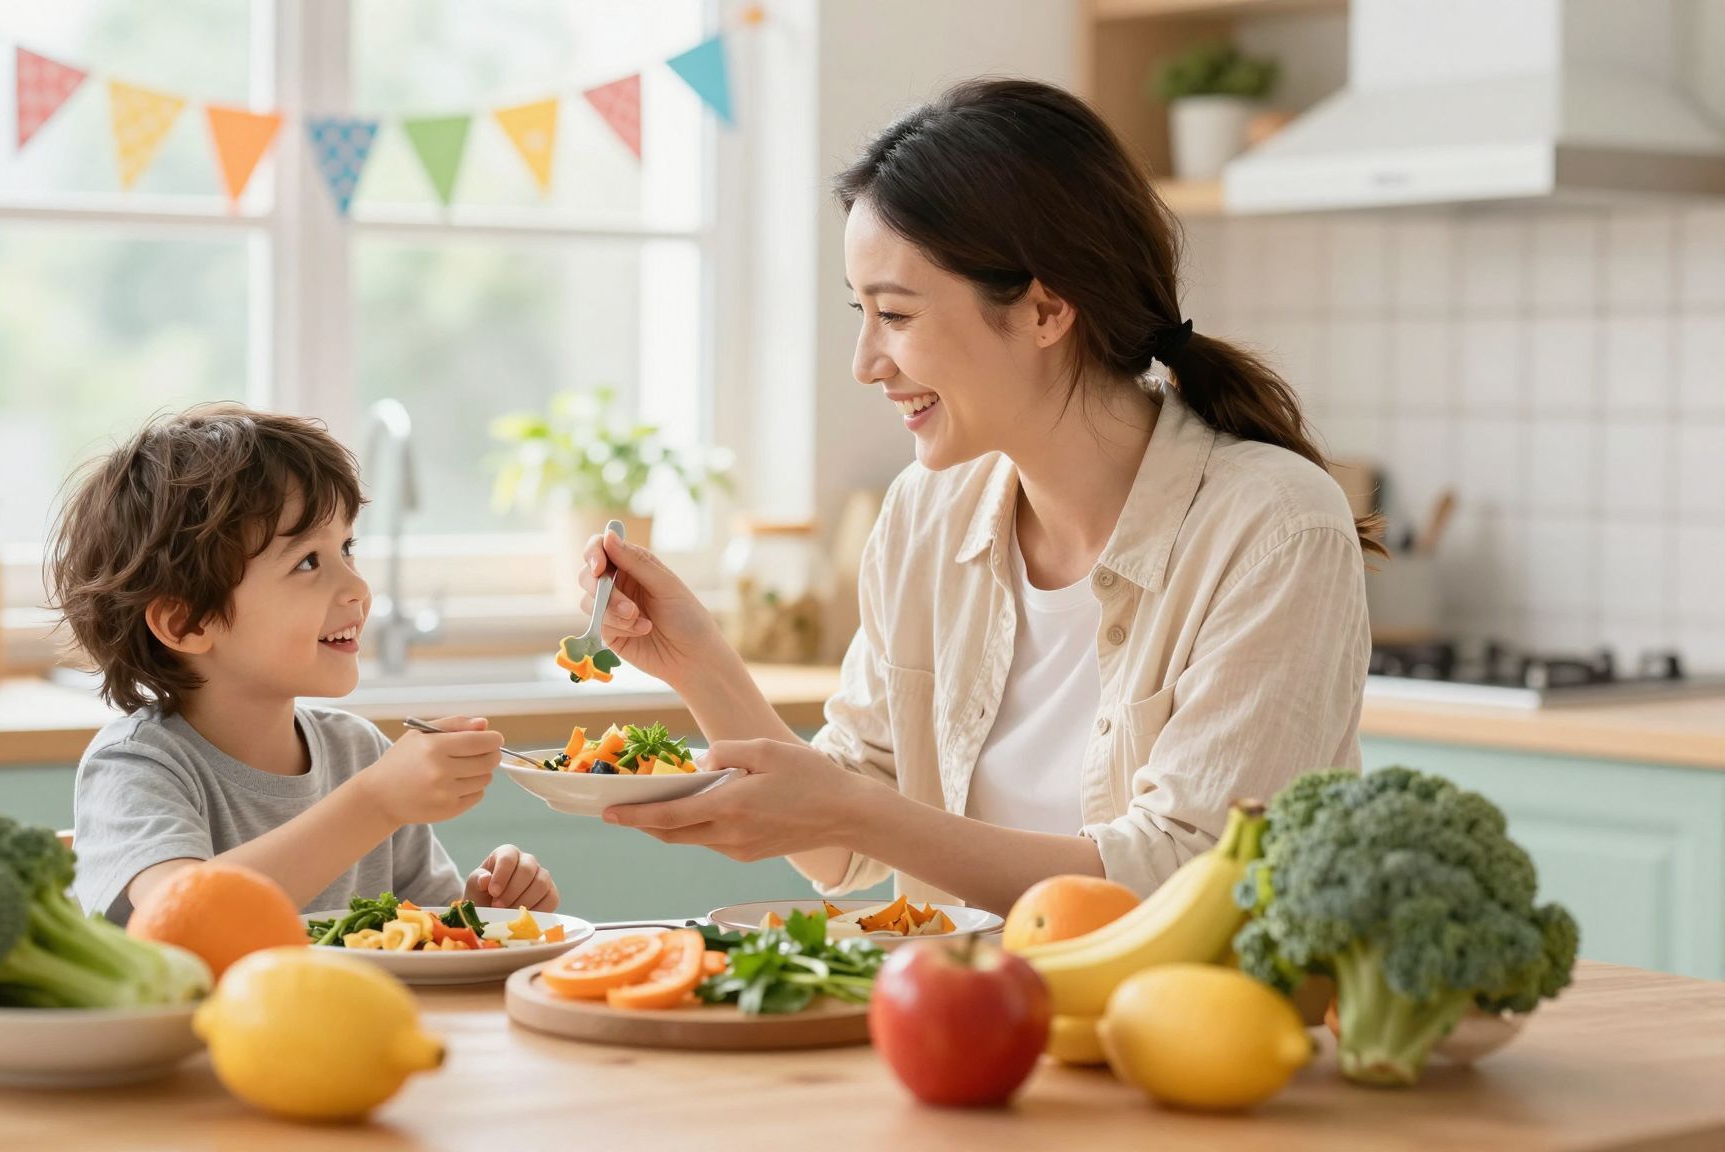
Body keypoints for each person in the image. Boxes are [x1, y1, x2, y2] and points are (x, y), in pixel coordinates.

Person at [583, 79, 1379, 913]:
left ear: (1045, 309)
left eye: (894, 314)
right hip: (958, 1027)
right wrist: (699, 661)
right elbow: (840, 841)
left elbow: (1188, 878)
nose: (865, 361)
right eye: (862, 311)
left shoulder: (1276, 528)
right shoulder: (926, 515)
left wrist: (856, 809)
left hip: (1172, 1037)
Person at [50, 404, 560, 923]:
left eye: (347, 548)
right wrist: (374, 804)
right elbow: (185, 916)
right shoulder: (137, 767)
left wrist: (482, 911)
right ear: (187, 624)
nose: (358, 588)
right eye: (308, 562)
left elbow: (425, 929)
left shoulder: (358, 753)